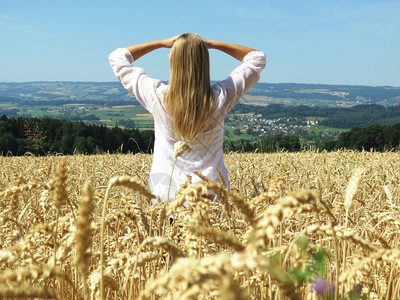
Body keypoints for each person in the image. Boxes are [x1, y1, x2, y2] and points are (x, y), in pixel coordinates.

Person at [108, 33, 266, 204]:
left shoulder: (156, 95)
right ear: (205, 62)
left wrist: (161, 43)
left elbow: (117, 57)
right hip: (211, 198)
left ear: (173, 62)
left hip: (166, 198)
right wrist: (211, 44)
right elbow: (257, 58)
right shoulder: (222, 96)